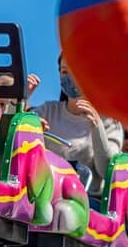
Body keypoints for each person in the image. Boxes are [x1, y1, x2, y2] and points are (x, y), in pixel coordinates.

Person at [31, 57, 121, 197]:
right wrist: (22, 100)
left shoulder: (110, 122)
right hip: (43, 192)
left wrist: (97, 128)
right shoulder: (47, 111)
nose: (70, 77)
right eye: (65, 72)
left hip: (85, 201)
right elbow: (15, 141)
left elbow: (106, 171)